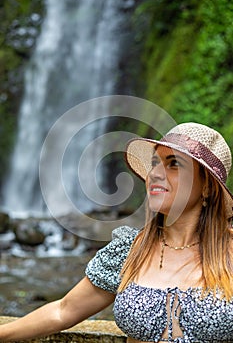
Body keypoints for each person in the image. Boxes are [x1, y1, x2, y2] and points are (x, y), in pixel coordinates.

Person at [0, 122, 232, 343]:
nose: (155, 174)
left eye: (173, 164)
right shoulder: (130, 250)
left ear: (207, 187)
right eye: (154, 163)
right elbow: (63, 311)